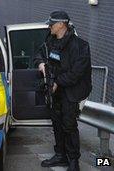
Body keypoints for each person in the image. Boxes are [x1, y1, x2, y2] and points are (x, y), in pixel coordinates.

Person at [34, 10, 92, 171]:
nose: (49, 27)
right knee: (57, 124)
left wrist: (57, 82)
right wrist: (41, 65)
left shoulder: (80, 46)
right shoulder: (50, 41)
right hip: (55, 91)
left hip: (71, 92)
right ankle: (60, 155)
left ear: (61, 24)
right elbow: (39, 53)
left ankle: (73, 161)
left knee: (69, 125)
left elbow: (76, 74)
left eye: (52, 24)